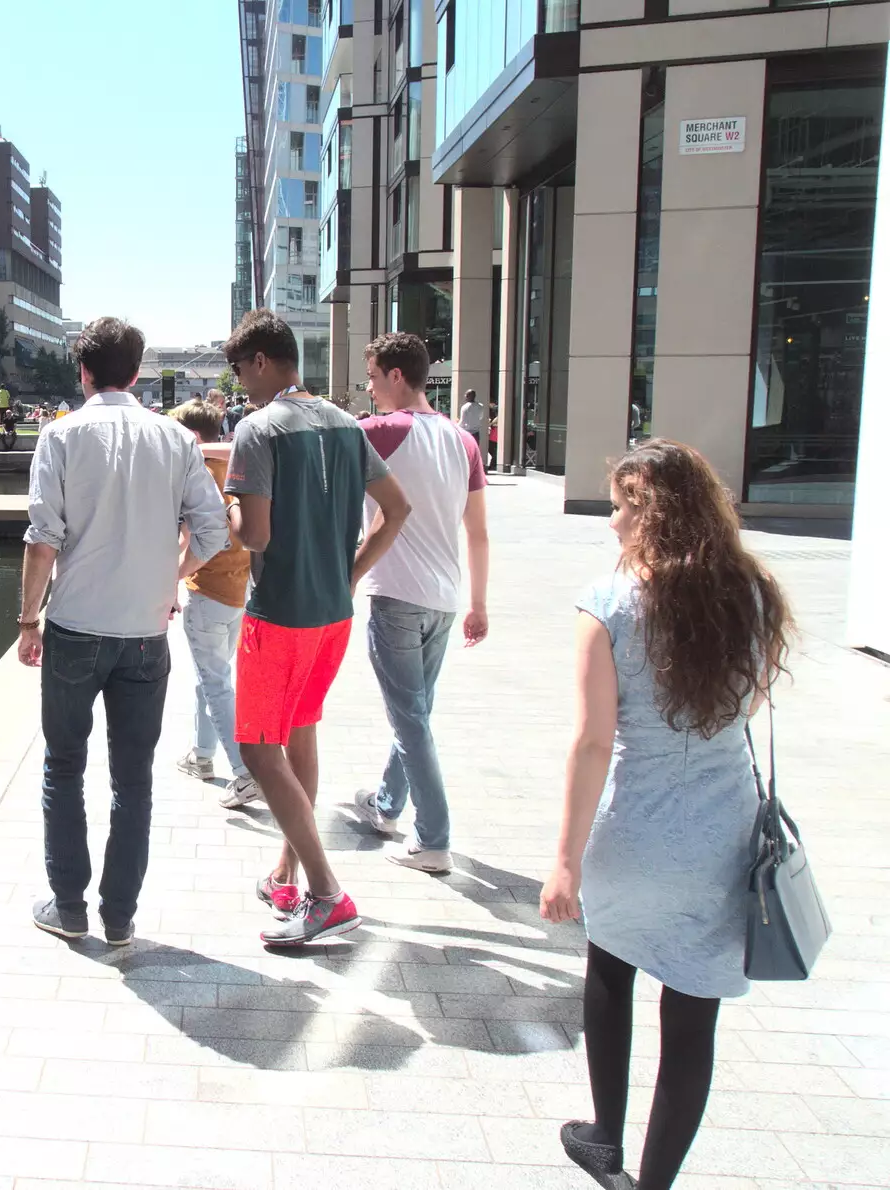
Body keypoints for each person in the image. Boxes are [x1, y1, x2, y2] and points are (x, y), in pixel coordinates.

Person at [539, 440, 793, 1190]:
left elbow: (591, 743)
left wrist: (565, 859)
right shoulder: (753, 594)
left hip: (634, 825)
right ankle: (655, 1184)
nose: (612, 521)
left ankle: (605, 1139)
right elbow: (745, 709)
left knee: (611, 968)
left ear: (649, 514)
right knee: (692, 1020)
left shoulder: (609, 603)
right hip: (723, 829)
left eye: (621, 507)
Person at [18, 316, 228, 947]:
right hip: (145, 634)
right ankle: (118, 915)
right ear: (136, 373)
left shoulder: (59, 437)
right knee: (132, 778)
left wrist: (28, 621)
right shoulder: (177, 440)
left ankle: (69, 905)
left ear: (84, 372)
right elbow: (214, 531)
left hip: (76, 627)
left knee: (64, 767)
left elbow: (42, 538)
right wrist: (173, 577)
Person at [223, 310, 411, 945]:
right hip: (332, 615)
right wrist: (352, 574)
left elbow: (257, 534)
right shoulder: (343, 422)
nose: (239, 382)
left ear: (261, 361)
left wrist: (226, 511)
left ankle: (327, 893)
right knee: (298, 736)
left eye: (240, 368)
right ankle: (286, 872)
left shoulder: (258, 429)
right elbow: (397, 508)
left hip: (278, 614)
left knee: (257, 748)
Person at [349, 332, 490, 874]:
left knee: (410, 719)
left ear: (396, 376)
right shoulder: (464, 441)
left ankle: (433, 839)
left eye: (373, 377)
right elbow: (477, 532)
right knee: (416, 713)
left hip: (397, 595)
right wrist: (479, 602)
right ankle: (387, 806)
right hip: (445, 599)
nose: (369, 388)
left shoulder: (380, 431)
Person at [166, 399, 258, 808]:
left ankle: (244, 772)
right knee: (213, 677)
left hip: (207, 593)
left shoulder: (195, 472)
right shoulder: (235, 467)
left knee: (216, 684)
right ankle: (202, 757)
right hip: (238, 592)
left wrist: (172, 577)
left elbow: (203, 537)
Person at [457, 387, 487, 452]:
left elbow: (462, 421)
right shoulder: (480, 406)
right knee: (475, 451)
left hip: (467, 433)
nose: (465, 396)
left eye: (466, 395)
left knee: (466, 452)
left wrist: (456, 427)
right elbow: (480, 417)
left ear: (470, 396)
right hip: (476, 433)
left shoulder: (465, 407)